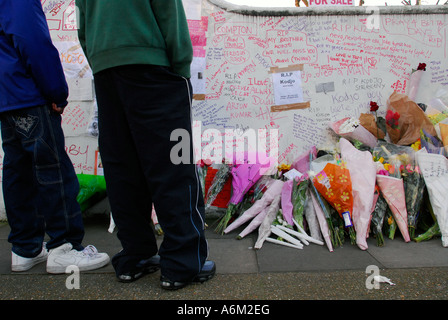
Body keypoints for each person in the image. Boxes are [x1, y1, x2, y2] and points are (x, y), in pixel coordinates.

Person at [76, 0, 215, 289]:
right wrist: (181, 67)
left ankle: (134, 257)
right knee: (176, 165)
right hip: (155, 71)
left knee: (123, 169)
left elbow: (83, 26)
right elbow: (168, 11)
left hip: (106, 71)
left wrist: (103, 62)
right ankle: (181, 264)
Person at [0, 0, 110, 273]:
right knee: (54, 172)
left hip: (6, 97)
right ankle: (65, 248)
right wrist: (56, 92)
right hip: (29, 96)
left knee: (18, 172)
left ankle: (25, 249)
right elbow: (33, 42)